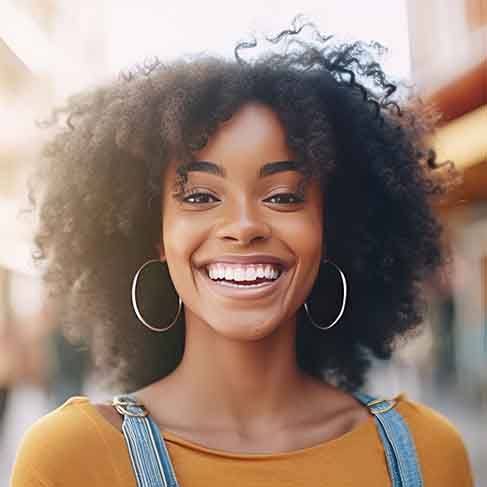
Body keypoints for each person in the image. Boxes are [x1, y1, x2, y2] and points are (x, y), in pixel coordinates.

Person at [11, 20, 474, 486]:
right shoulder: (73, 460)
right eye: (199, 197)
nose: (245, 226)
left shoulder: (428, 453)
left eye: (284, 196)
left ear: (330, 227)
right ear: (153, 234)